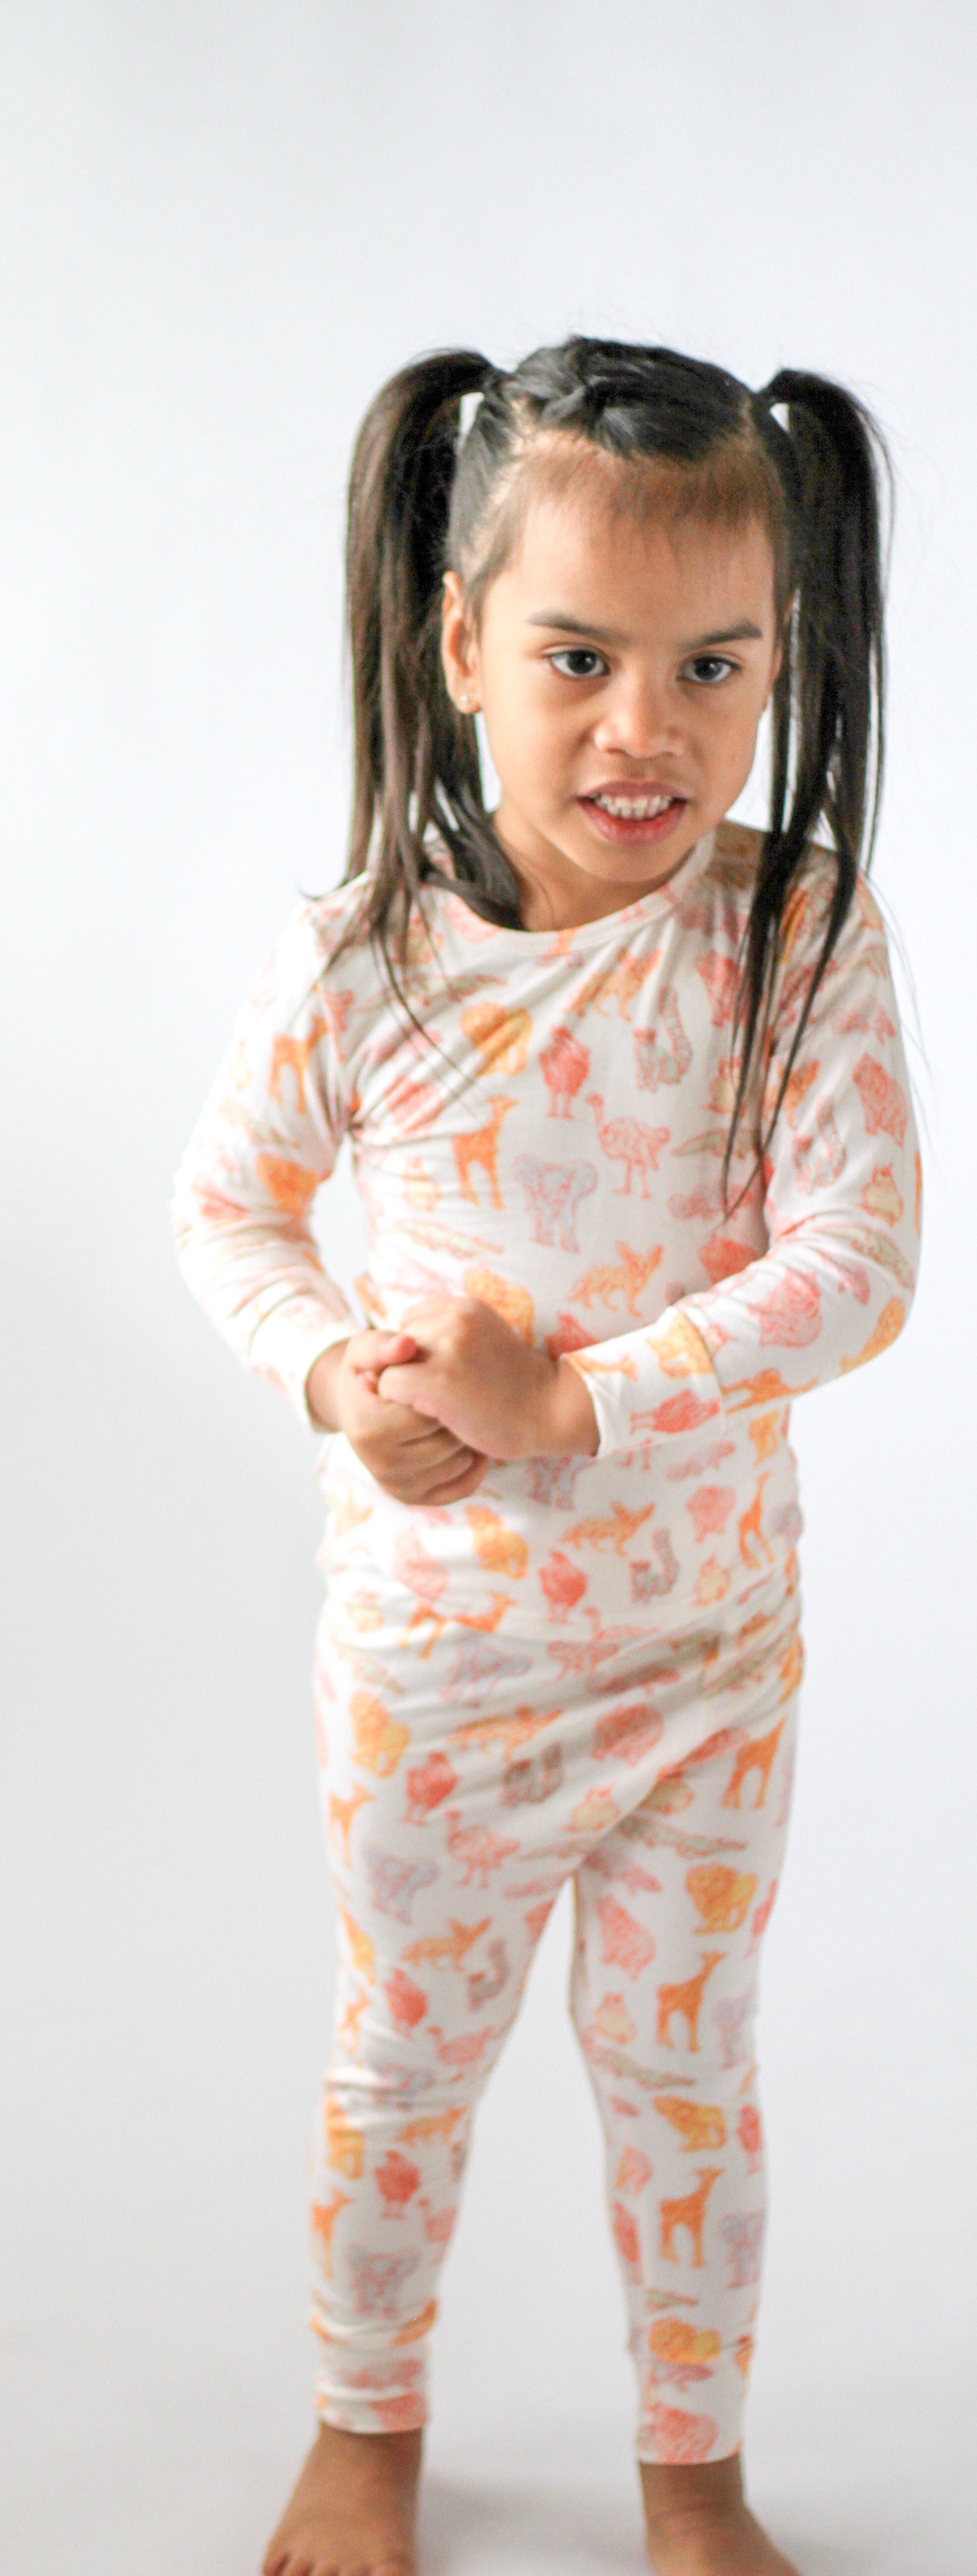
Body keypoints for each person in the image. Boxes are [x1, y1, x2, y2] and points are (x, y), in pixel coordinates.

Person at [172, 337, 920, 2576]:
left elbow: (861, 1257)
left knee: (684, 2080)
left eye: (716, 664)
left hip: (706, 1666)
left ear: (784, 655)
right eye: (579, 655)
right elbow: (225, 1205)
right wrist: (339, 1382)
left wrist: (578, 1391)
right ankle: (362, 2420)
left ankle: (690, 2472)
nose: (647, 728)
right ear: (460, 637)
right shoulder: (369, 960)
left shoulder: (794, 933)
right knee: (400, 2069)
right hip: (443, 1680)